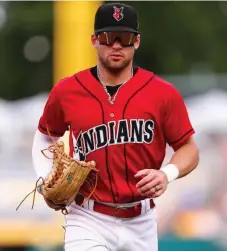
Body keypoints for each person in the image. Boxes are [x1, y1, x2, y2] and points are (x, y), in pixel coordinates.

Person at [32, 2, 200, 251]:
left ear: (137, 41)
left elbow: (189, 148)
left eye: (125, 37)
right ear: (94, 40)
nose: (117, 45)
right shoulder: (68, 91)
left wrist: (167, 174)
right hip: (88, 218)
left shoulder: (162, 94)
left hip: (141, 221)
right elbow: (45, 136)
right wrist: (44, 179)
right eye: (109, 37)